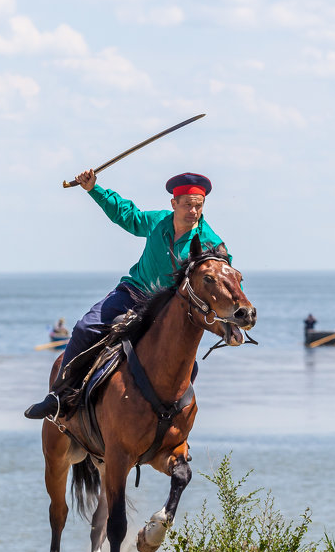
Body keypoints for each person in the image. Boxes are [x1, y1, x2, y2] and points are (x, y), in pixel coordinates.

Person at [25, 169, 230, 420]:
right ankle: (58, 396)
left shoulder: (210, 241)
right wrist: (94, 189)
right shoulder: (158, 222)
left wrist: (229, 323)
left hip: (167, 310)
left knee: (187, 365)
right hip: (133, 292)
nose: (194, 212)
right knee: (84, 327)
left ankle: (171, 418)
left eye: (199, 206)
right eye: (188, 205)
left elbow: (223, 282)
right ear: (173, 203)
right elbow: (127, 215)